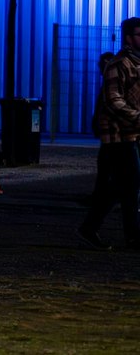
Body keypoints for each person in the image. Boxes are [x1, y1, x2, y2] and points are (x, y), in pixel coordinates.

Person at [79, 17, 140, 249]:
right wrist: (137, 117)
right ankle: (130, 235)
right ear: (128, 37)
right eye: (139, 34)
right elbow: (114, 100)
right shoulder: (119, 64)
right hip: (118, 134)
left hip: (132, 132)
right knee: (130, 182)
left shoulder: (136, 63)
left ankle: (92, 227)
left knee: (126, 185)